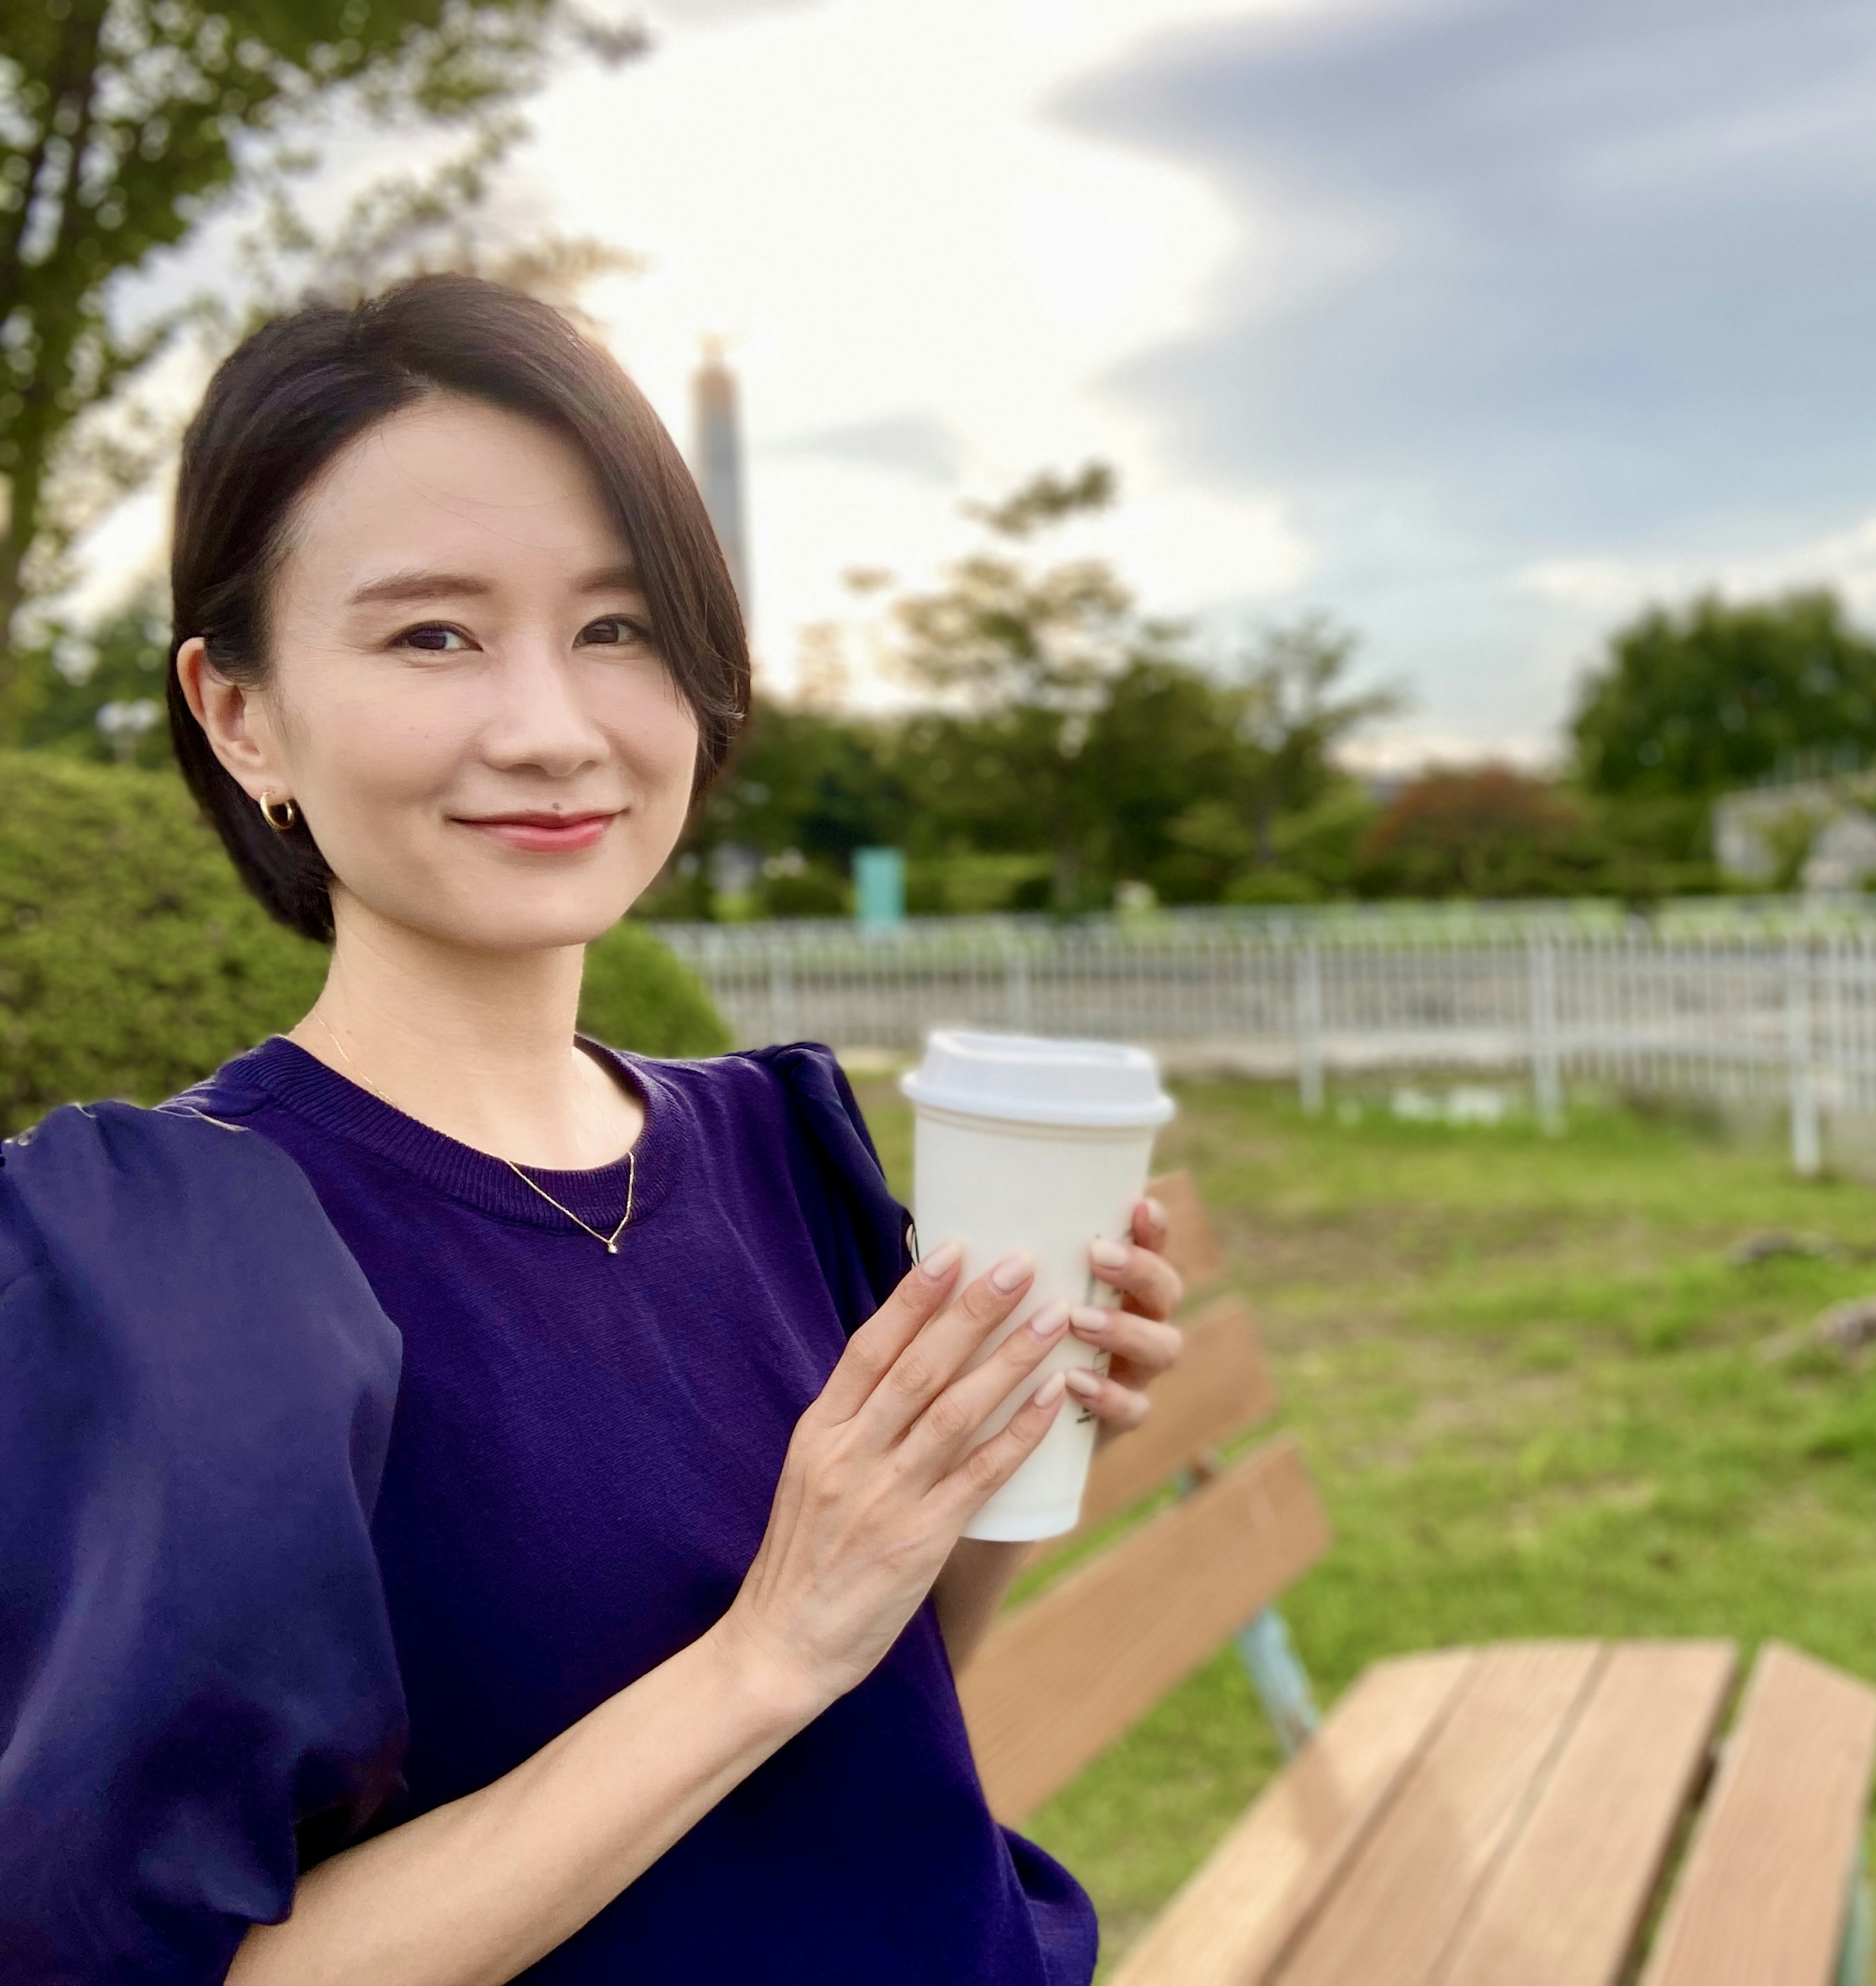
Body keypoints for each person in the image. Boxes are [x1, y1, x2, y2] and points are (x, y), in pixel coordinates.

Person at [0, 275, 1185, 1985]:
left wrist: (993, 1452)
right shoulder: (172, 1266)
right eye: (432, 634)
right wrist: (761, 1648)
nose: (552, 730)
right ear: (240, 711)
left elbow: (887, 1704)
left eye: (618, 629)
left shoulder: (780, 1146)